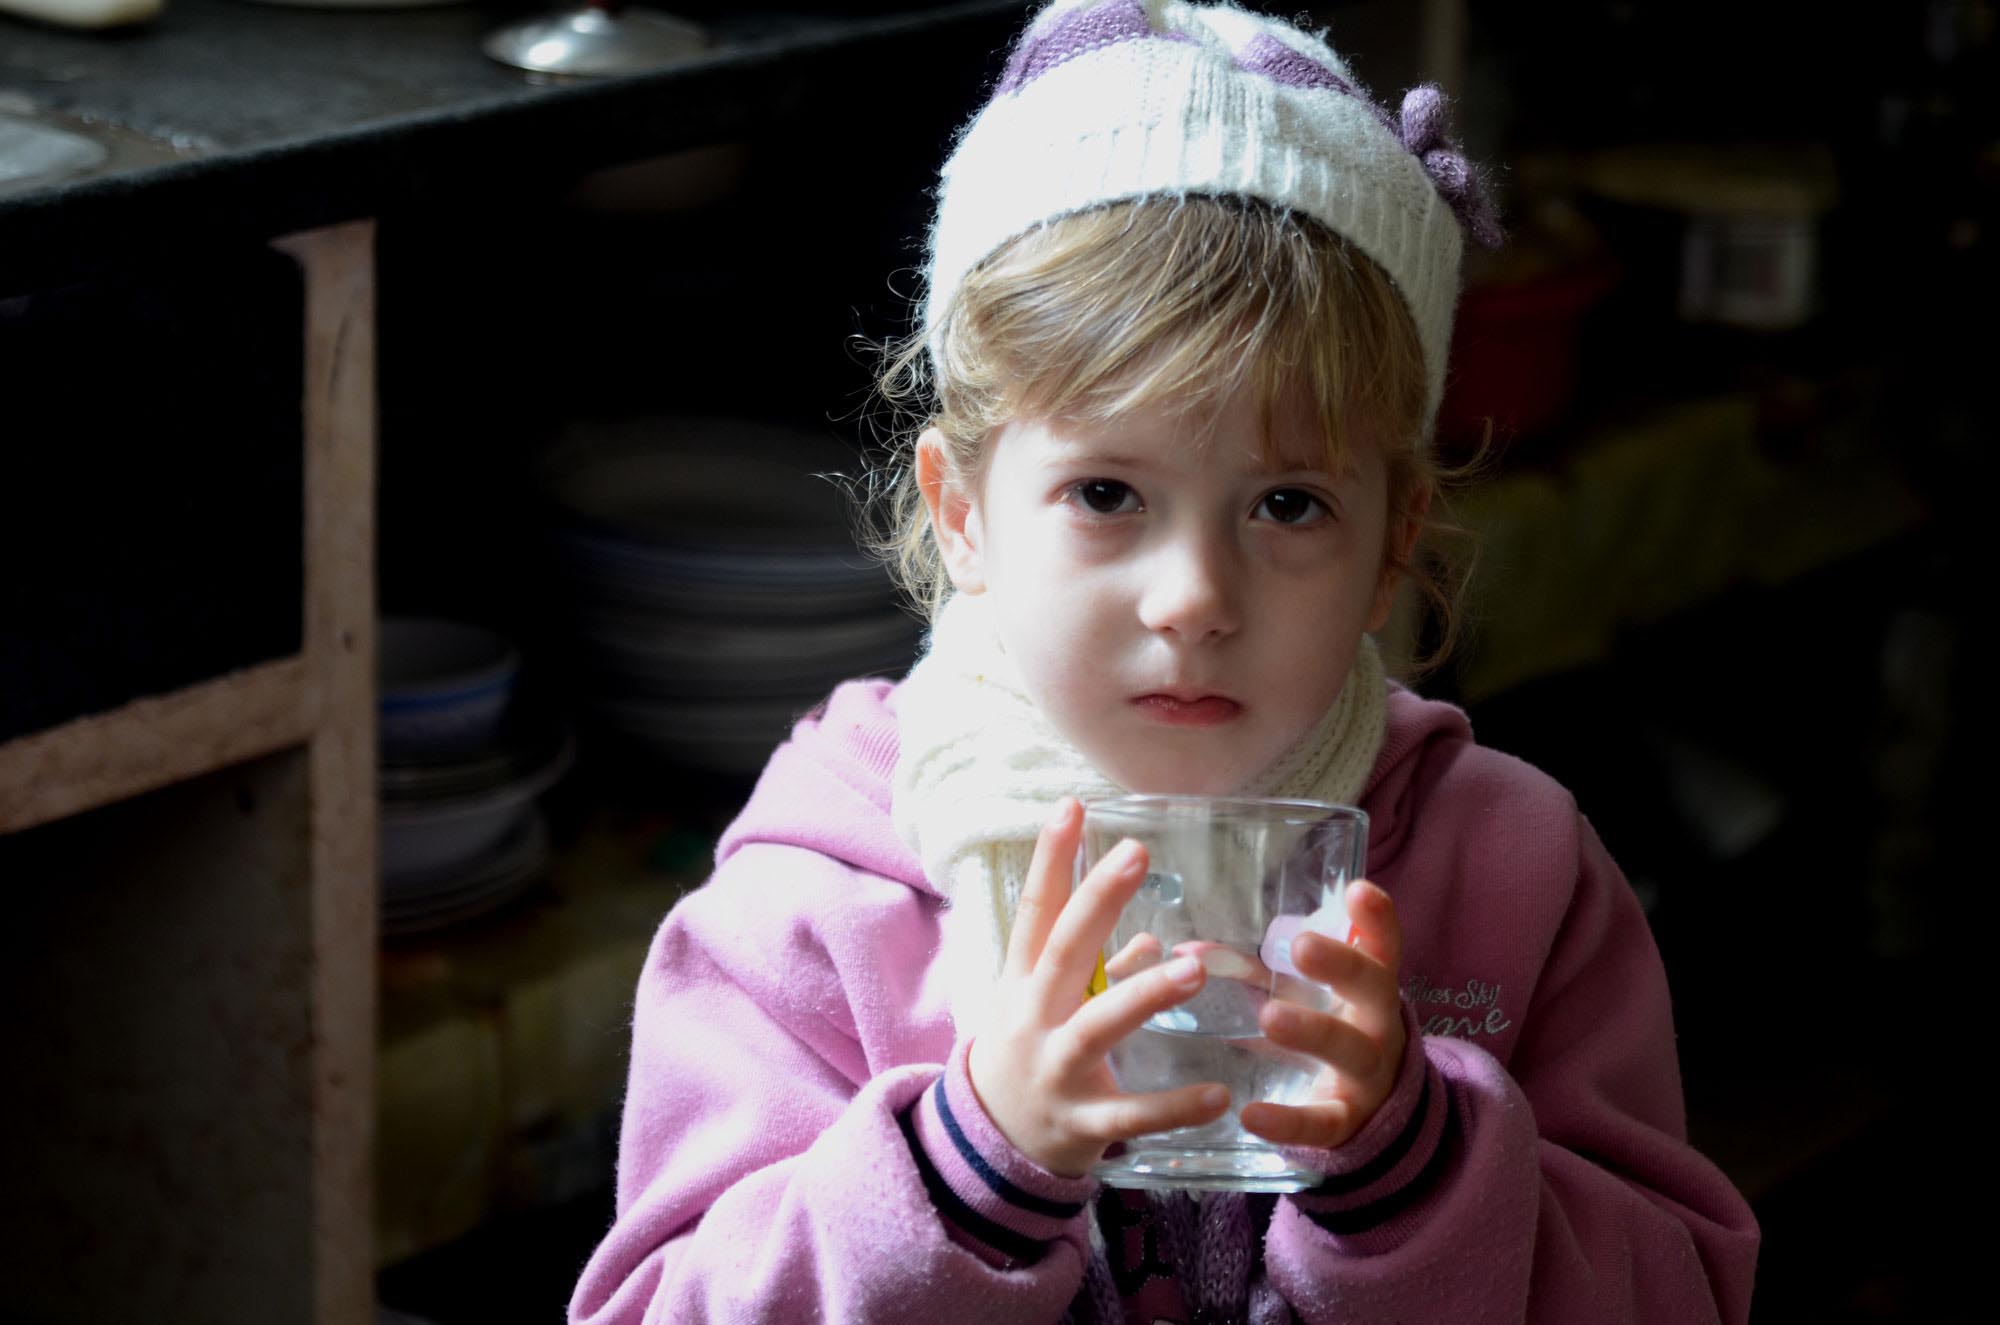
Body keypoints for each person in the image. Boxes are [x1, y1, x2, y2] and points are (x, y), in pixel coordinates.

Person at [568, 2, 1761, 1321]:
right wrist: (967, 1161)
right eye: (1108, 493)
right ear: (963, 513)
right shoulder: (812, 916)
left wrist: (1418, 1170)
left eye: (1289, 504)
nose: (1194, 598)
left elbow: (1682, 1296)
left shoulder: (1517, 877)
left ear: (1391, 543)